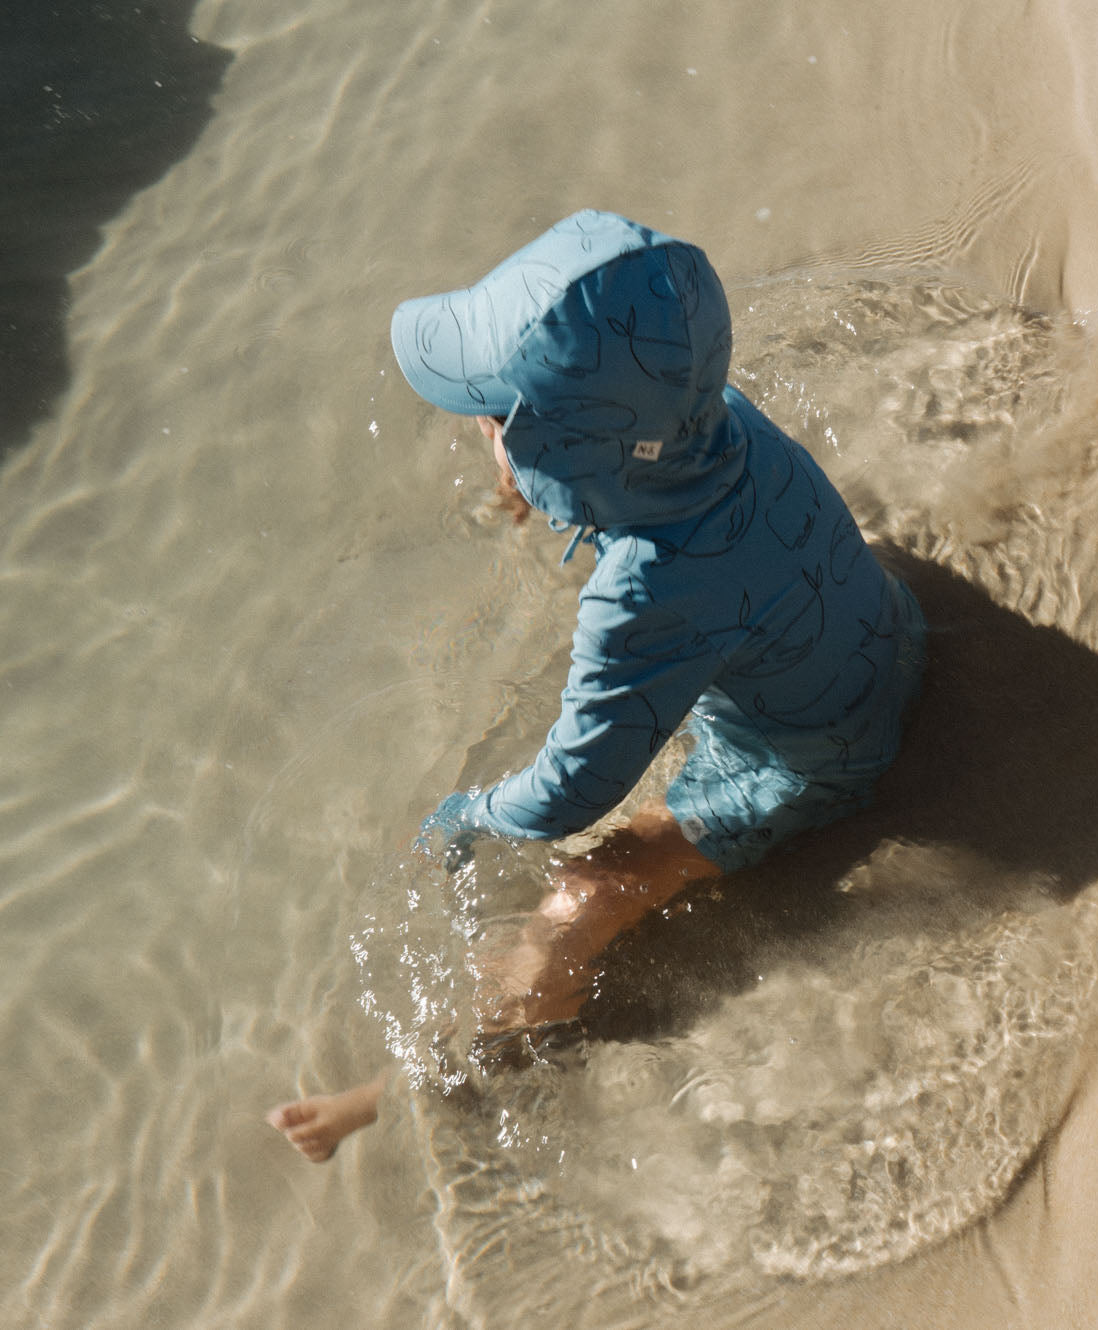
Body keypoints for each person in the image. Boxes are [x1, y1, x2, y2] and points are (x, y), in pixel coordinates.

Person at [269, 209, 925, 1161]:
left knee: (583, 895)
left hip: (810, 763)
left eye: (492, 421)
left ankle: (411, 1089)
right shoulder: (720, 420)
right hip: (880, 629)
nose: (483, 433)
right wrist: (534, 472)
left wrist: (470, 811)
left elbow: (573, 790)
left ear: (560, 459)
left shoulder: (646, 596)